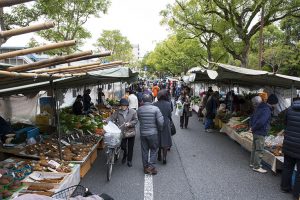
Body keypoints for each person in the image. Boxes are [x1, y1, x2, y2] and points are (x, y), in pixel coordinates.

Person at [250, 94, 278, 173]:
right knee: (259, 149)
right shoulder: (267, 110)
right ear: (273, 103)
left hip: (255, 131)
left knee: (254, 148)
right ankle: (257, 166)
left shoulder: (260, 107)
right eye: (276, 103)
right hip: (260, 131)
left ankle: (253, 163)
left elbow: (252, 117)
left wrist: (251, 127)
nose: (276, 105)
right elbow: (261, 122)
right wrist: (253, 127)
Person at [138, 94, 164, 175]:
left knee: (144, 150)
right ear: (151, 100)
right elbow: (161, 122)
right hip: (153, 133)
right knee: (154, 149)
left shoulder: (139, 109)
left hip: (143, 133)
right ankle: (151, 166)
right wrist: (160, 129)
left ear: (143, 101)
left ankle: (145, 167)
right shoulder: (156, 109)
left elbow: (139, 119)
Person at [109, 98, 138, 167]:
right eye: (122, 106)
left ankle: (129, 160)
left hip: (130, 132)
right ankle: (125, 154)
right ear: (120, 106)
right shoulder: (118, 112)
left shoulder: (133, 111)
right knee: (123, 146)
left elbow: (136, 120)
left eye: (125, 106)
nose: (123, 107)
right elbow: (112, 118)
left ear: (127, 106)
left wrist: (130, 123)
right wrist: (106, 120)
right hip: (122, 132)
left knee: (130, 147)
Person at [281, 98, 300, 199]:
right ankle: (296, 194)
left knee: (287, 167)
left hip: (289, 143)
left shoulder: (289, 109)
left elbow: (285, 123)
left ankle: (285, 187)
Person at [154, 90, 173, 164]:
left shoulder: (155, 104)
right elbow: (169, 114)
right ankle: (164, 158)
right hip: (165, 124)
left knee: (158, 140)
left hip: (157, 124)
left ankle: (159, 155)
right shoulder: (168, 104)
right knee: (165, 141)